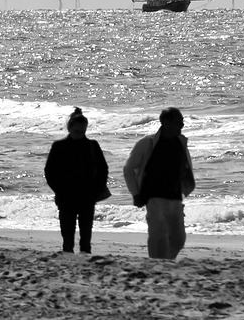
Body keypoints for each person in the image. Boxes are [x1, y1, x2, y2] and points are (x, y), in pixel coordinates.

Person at [123, 107, 196, 260]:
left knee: (178, 239)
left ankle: (164, 262)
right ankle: (156, 264)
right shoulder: (147, 143)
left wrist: (186, 186)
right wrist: (135, 194)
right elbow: (129, 168)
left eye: (182, 122)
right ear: (166, 123)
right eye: (179, 122)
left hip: (175, 197)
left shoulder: (180, 143)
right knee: (159, 235)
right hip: (153, 197)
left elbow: (184, 169)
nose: (182, 126)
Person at [44, 107, 109, 254]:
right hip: (66, 197)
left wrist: (97, 190)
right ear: (69, 128)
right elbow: (50, 172)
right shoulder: (59, 146)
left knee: (86, 239)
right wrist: (59, 191)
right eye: (77, 131)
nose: (80, 134)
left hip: (88, 196)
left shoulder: (92, 145)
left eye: (83, 131)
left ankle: (85, 262)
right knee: (67, 239)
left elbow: (103, 170)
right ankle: (69, 261)